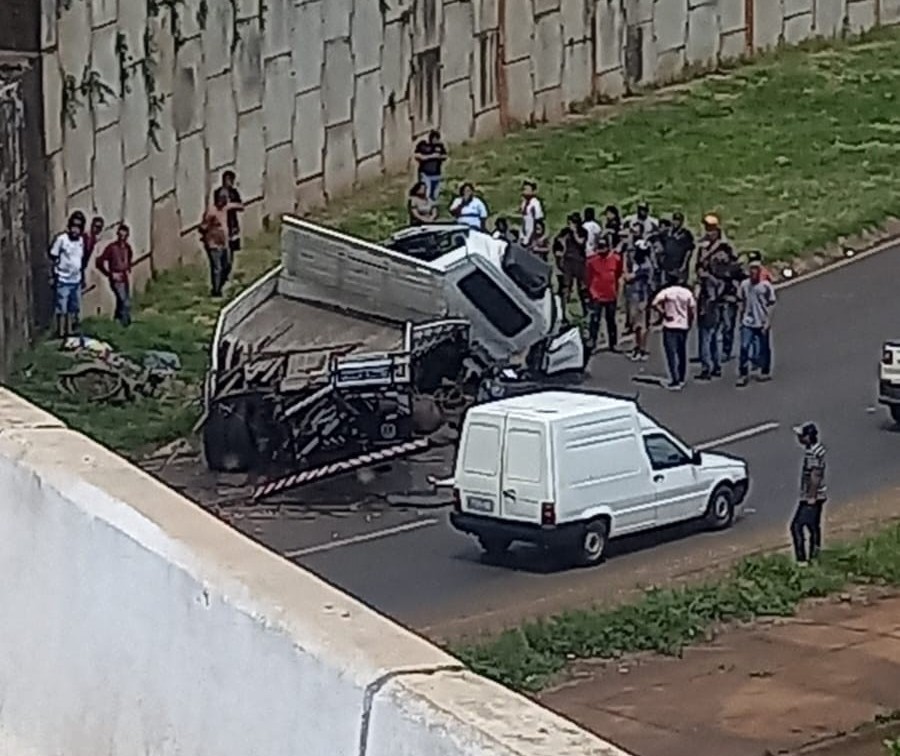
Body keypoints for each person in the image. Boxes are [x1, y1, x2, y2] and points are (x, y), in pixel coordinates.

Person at [696, 214, 741, 362]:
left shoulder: (726, 247)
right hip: (708, 291)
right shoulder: (702, 247)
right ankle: (707, 353)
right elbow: (698, 266)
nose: (709, 232)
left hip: (727, 289)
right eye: (707, 229)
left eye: (711, 229)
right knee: (707, 324)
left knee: (727, 323)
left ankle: (726, 351)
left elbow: (735, 267)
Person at [790, 422, 827, 564]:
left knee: (796, 526)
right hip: (819, 495)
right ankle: (815, 555)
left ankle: (802, 560)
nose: (798, 438)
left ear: (807, 437)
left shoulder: (812, 453)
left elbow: (815, 474)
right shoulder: (817, 450)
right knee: (813, 527)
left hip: (812, 497)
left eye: (801, 435)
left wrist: (811, 496)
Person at [736, 259, 776, 387]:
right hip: (748, 321)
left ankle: (765, 370)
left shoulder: (765, 286)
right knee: (744, 347)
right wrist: (741, 319)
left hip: (761, 321)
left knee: (764, 348)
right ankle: (743, 373)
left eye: (756, 269)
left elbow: (771, 303)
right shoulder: (744, 285)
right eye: (751, 269)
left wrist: (768, 321)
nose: (753, 272)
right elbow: (741, 301)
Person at [652, 273, 696, 390]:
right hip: (683, 325)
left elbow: (654, 303)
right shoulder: (687, 293)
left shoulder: (667, 292)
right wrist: (689, 322)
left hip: (670, 324)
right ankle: (682, 377)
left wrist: (663, 313)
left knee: (671, 353)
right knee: (682, 352)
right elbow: (691, 309)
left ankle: (674, 379)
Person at [200, 188, 242, 297]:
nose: (226, 200)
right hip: (213, 244)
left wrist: (239, 205)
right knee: (217, 268)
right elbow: (203, 226)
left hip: (224, 243)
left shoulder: (225, 208)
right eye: (224, 198)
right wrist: (207, 235)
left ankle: (221, 284)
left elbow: (236, 206)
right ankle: (216, 290)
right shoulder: (211, 212)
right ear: (219, 199)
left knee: (227, 265)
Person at [48, 215, 86, 338]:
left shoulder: (81, 241)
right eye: (73, 226)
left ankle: (70, 331)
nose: (75, 230)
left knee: (73, 307)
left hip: (76, 279)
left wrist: (82, 277)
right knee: (62, 307)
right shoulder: (62, 239)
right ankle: (61, 332)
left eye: (78, 227)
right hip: (63, 279)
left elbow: (80, 259)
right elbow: (53, 256)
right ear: (69, 226)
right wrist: (53, 275)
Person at [585, 236, 623, 352]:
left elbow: (618, 274)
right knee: (595, 320)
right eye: (600, 247)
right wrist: (591, 292)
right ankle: (593, 342)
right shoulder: (591, 261)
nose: (602, 250)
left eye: (604, 247)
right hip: (596, 294)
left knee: (611, 320)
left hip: (610, 294)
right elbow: (588, 277)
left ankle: (613, 343)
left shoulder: (616, 259)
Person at [95, 223, 135, 326]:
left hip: (124, 276)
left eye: (124, 236)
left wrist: (128, 268)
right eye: (120, 236)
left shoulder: (127, 248)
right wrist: (109, 274)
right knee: (124, 301)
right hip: (116, 277)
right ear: (117, 235)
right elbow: (99, 262)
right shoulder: (112, 248)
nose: (122, 238)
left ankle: (117, 320)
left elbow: (129, 259)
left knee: (122, 300)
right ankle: (125, 323)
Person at [625, 242, 654, 361]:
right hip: (636, 296)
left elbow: (630, 277)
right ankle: (637, 347)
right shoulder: (640, 263)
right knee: (636, 325)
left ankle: (642, 349)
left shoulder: (645, 266)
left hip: (642, 297)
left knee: (641, 325)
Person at [695, 263, 723, 380]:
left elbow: (711, 297)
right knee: (713, 342)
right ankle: (716, 366)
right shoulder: (715, 281)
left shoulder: (706, 282)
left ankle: (706, 368)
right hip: (715, 314)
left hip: (707, 315)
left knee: (705, 342)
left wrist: (703, 309)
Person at [557, 212, 589, 315]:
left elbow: (581, 242)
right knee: (566, 286)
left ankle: (586, 310)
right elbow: (558, 240)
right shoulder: (565, 232)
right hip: (568, 260)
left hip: (579, 261)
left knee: (582, 287)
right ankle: (563, 312)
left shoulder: (583, 231)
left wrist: (575, 232)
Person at [659, 212, 695, 282]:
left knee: (679, 288)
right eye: (675, 220)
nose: (676, 222)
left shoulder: (686, 234)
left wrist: (684, 264)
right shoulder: (666, 232)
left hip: (679, 267)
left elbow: (689, 251)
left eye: (678, 220)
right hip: (668, 266)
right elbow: (658, 240)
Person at [413, 130, 447, 201]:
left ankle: (432, 208)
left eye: (437, 139)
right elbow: (417, 156)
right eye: (435, 138)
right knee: (426, 192)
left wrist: (439, 157)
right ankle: (423, 208)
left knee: (434, 194)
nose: (436, 141)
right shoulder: (423, 145)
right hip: (425, 173)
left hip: (436, 174)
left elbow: (445, 156)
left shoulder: (439, 146)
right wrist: (431, 156)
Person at [219, 170, 245, 255]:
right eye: (230, 180)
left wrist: (232, 205)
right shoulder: (218, 192)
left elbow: (241, 206)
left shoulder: (234, 192)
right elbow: (219, 207)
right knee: (223, 248)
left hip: (233, 224)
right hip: (222, 224)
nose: (232, 183)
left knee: (233, 248)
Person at [519, 180, 544, 246]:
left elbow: (538, 219)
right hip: (524, 230)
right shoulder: (524, 202)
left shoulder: (535, 203)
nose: (524, 191)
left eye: (527, 189)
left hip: (532, 232)